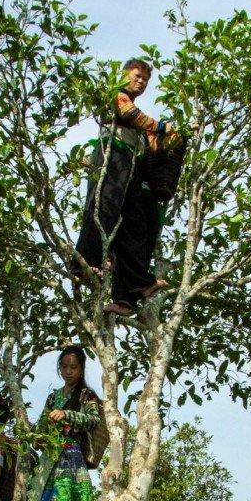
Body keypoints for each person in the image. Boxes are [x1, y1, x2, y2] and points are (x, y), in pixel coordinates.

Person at [74, 58, 177, 317]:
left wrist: (179, 134)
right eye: (137, 76)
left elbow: (151, 139)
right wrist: (162, 127)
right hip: (113, 156)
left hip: (129, 163)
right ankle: (84, 263)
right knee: (102, 207)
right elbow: (130, 114)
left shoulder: (137, 116)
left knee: (133, 224)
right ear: (124, 75)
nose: (140, 82)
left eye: (145, 79)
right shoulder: (117, 96)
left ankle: (138, 283)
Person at [31, 346, 100, 501]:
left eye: (73, 367)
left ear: (81, 369)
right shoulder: (53, 396)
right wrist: (37, 438)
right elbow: (41, 424)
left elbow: (93, 420)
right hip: (50, 459)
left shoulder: (86, 395)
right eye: (64, 366)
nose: (68, 371)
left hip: (70, 458)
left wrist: (67, 415)